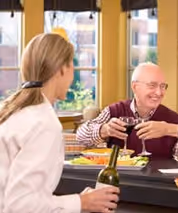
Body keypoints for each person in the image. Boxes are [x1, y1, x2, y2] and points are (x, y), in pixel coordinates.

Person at [0, 33, 119, 213]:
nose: (73, 75)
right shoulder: (43, 123)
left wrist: (83, 201)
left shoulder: (10, 111)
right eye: (73, 66)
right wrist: (81, 202)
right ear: (62, 69)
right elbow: (20, 206)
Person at [77, 62, 178, 159]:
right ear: (135, 86)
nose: (159, 92)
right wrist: (105, 130)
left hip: (158, 184)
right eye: (152, 85)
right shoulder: (114, 111)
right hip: (117, 181)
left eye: (162, 86)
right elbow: (81, 137)